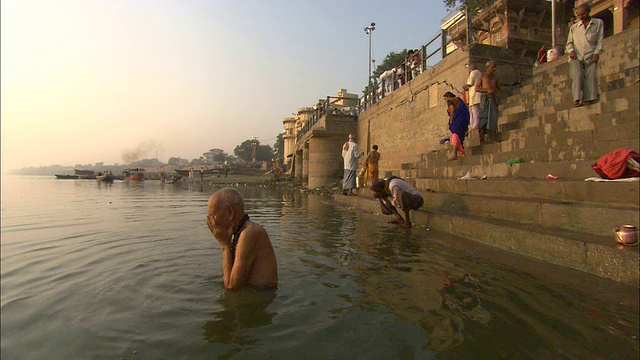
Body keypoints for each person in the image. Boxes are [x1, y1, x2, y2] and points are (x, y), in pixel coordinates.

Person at [205, 188, 278, 290]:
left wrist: (225, 246)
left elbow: (231, 287)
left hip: (258, 297)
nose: (210, 222)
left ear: (230, 212)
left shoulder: (249, 233)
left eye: (212, 216)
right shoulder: (240, 232)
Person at [566, 3, 604, 107]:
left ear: (588, 12)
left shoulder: (598, 23)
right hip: (576, 56)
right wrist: (571, 51)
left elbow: (599, 40)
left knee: (590, 76)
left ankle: (588, 98)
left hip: (591, 54)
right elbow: (569, 43)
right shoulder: (574, 27)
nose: (581, 17)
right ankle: (577, 100)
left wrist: (597, 53)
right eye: (578, 15)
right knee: (577, 76)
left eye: (583, 14)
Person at [475, 60, 500, 144]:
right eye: (493, 67)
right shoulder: (482, 76)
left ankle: (493, 138)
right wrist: (487, 90)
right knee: (483, 118)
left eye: (495, 67)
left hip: (493, 98)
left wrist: (496, 89)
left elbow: (498, 88)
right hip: (484, 98)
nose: (494, 69)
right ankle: (482, 140)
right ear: (488, 67)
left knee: (493, 117)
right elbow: (477, 88)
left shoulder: (495, 77)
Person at [443, 92, 470, 161]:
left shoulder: (450, 101)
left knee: (455, 135)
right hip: (463, 121)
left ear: (448, 97)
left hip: (457, 121)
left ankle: (454, 153)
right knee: (459, 136)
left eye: (445, 98)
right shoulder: (458, 100)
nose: (445, 100)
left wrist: (451, 120)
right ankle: (462, 152)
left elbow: (452, 110)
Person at [462, 63, 482, 131]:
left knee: (474, 111)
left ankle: (475, 126)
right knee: (476, 111)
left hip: (474, 95)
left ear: (471, 69)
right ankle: (475, 125)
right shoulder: (480, 73)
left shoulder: (473, 73)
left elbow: (470, 83)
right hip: (478, 94)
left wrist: (465, 86)